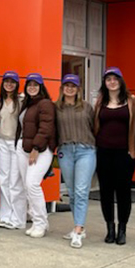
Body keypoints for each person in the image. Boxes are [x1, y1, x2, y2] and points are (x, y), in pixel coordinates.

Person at [94, 67, 135, 246]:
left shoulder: (132, 101)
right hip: (103, 152)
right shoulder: (100, 102)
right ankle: (110, 229)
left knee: (123, 192)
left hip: (124, 153)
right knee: (105, 192)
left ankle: (122, 230)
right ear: (104, 82)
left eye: (115, 79)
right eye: (108, 79)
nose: (112, 82)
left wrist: (134, 148)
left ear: (121, 81)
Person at [55, 74, 96, 249]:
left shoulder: (86, 107)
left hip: (85, 151)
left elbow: (96, 128)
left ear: (78, 89)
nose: (70, 88)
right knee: (71, 192)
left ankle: (78, 230)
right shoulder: (57, 108)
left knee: (80, 190)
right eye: (67, 85)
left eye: (73, 86)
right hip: (65, 151)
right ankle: (78, 225)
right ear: (62, 88)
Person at [15, 73, 55, 238]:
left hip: (40, 150)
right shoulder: (27, 103)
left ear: (41, 87)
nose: (32, 87)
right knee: (26, 186)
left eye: (35, 85)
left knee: (32, 184)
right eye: (29, 84)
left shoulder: (45, 103)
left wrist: (36, 148)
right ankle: (38, 220)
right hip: (23, 147)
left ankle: (40, 222)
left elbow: (46, 127)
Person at [0, 71, 26, 230]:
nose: (9, 84)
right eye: (6, 81)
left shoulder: (21, 100)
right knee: (3, 178)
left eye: (12, 82)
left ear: (17, 84)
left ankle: (18, 218)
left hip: (15, 143)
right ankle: (5, 216)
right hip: (1, 141)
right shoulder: (0, 101)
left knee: (15, 180)